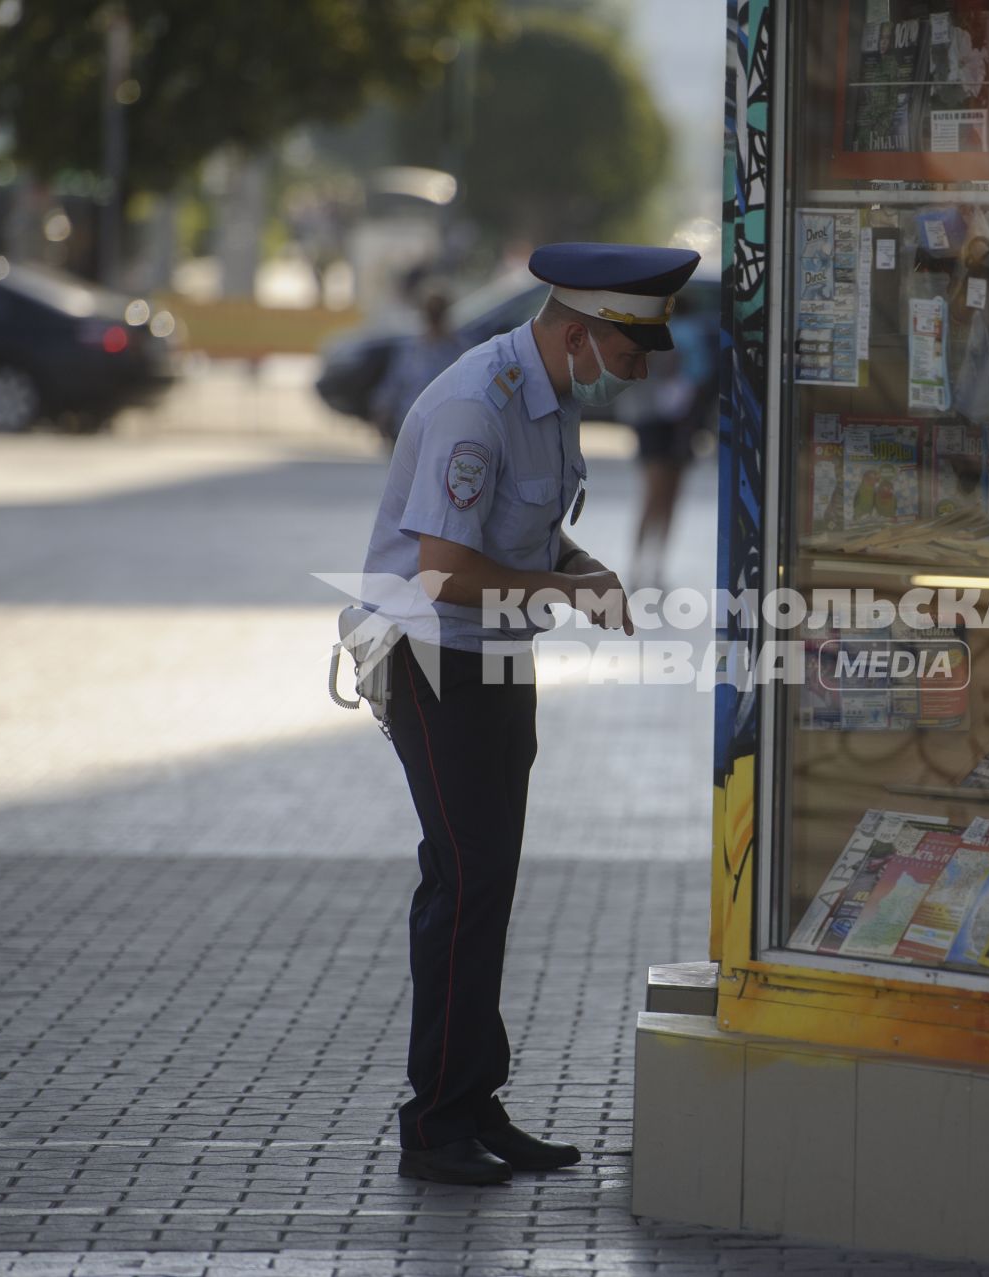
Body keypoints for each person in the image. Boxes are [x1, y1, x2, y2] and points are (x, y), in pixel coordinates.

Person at [356, 241, 699, 1186]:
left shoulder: (551, 395)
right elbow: (443, 568)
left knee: (488, 879)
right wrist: (564, 587)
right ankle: (434, 1122)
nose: (637, 373)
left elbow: (533, 530)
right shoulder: (478, 405)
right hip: (430, 657)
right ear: (583, 334)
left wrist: (582, 571)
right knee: (462, 881)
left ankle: (470, 1096)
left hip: (495, 653)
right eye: (629, 355)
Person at [624, 300, 718, 591]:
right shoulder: (692, 332)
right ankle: (648, 567)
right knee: (664, 497)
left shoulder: (656, 332)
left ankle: (645, 567)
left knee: (657, 496)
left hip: (660, 420)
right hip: (673, 422)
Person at [372, 290, 465, 436]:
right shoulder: (411, 350)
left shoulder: (459, 351)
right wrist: (383, 412)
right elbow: (393, 384)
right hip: (411, 424)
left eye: (437, 314)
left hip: (446, 427)